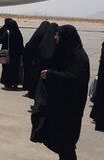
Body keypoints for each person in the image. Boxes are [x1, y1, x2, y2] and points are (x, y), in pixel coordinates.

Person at [33, 25, 89, 160]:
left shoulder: (79, 57)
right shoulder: (68, 52)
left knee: (66, 144)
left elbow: (75, 79)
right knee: (63, 143)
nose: (55, 37)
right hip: (62, 106)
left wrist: (51, 75)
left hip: (71, 108)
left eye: (58, 35)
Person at [22, 21, 51, 99]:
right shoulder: (48, 37)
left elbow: (29, 46)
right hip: (41, 62)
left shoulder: (38, 35)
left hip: (34, 62)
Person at [0, 19, 24, 90]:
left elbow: (0, 40)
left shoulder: (8, 33)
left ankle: (8, 83)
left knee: (7, 69)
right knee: (15, 69)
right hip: (16, 55)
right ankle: (15, 82)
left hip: (7, 55)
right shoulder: (18, 33)